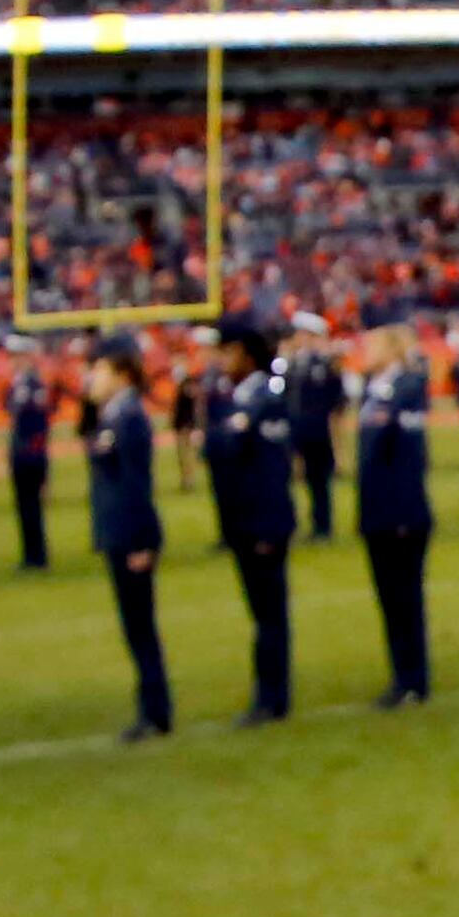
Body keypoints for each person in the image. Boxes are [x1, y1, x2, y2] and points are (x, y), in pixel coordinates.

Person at [203, 307, 300, 726]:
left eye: (224, 351)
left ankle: (272, 697)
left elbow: (266, 470)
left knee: (268, 615)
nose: (218, 360)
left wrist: (266, 526)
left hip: (262, 521)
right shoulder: (238, 397)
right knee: (262, 613)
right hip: (244, 520)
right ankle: (270, 695)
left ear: (242, 352)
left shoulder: (263, 398)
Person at [83, 330, 177, 739]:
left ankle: (155, 711)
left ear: (120, 374)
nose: (91, 378)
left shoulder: (130, 417)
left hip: (130, 534)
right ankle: (151, 708)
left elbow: (137, 484)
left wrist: (142, 540)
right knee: (134, 627)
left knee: (141, 627)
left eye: (99, 369)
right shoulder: (113, 414)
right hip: (118, 532)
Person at [353, 315, 438, 705]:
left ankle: (412, 679)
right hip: (378, 509)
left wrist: (405, 513)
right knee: (390, 598)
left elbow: (407, 459)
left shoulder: (404, 388)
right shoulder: (376, 389)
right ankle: (402, 676)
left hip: (400, 511)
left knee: (404, 598)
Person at [287, 321, 347, 543]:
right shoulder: (292, 364)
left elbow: (336, 402)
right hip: (296, 429)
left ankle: (323, 525)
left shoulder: (326, 365)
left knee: (319, 480)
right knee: (293, 478)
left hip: (319, 431)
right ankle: (296, 525)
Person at [6, 355, 57, 571]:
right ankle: (31, 554)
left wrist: (34, 453)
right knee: (25, 508)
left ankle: (36, 556)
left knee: (31, 507)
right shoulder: (21, 385)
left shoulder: (32, 386)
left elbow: (38, 422)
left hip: (30, 455)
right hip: (23, 453)